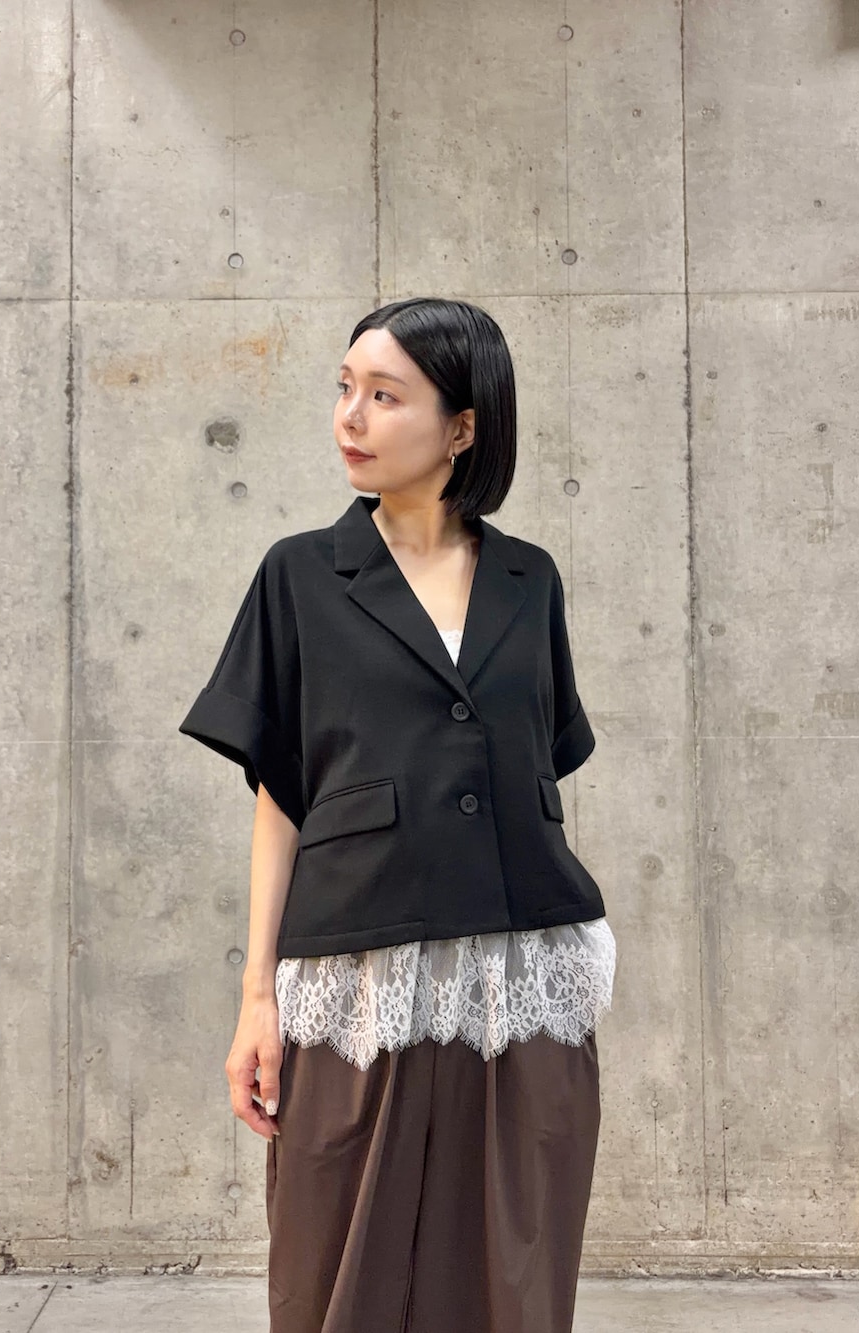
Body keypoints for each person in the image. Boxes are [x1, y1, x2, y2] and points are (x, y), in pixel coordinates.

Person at [179, 297, 617, 1332]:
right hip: (357, 969)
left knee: (513, 1272)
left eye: (385, 395)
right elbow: (282, 794)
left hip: (520, 971)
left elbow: (539, 758)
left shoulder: (530, 580)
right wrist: (256, 997)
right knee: (338, 1271)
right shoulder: (299, 575)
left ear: (462, 427)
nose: (350, 416)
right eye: (345, 388)